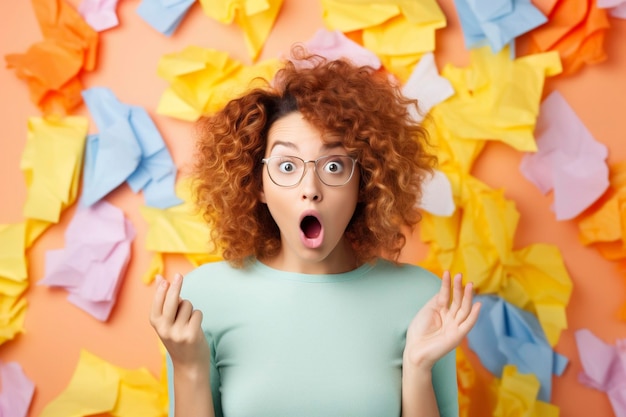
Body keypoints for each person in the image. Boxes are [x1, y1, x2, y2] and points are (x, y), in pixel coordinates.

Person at [150, 45, 481, 417]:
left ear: (365, 183)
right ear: (257, 184)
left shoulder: (421, 298)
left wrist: (418, 370)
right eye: (287, 166)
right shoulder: (202, 298)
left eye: (335, 165)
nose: (311, 187)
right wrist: (189, 367)